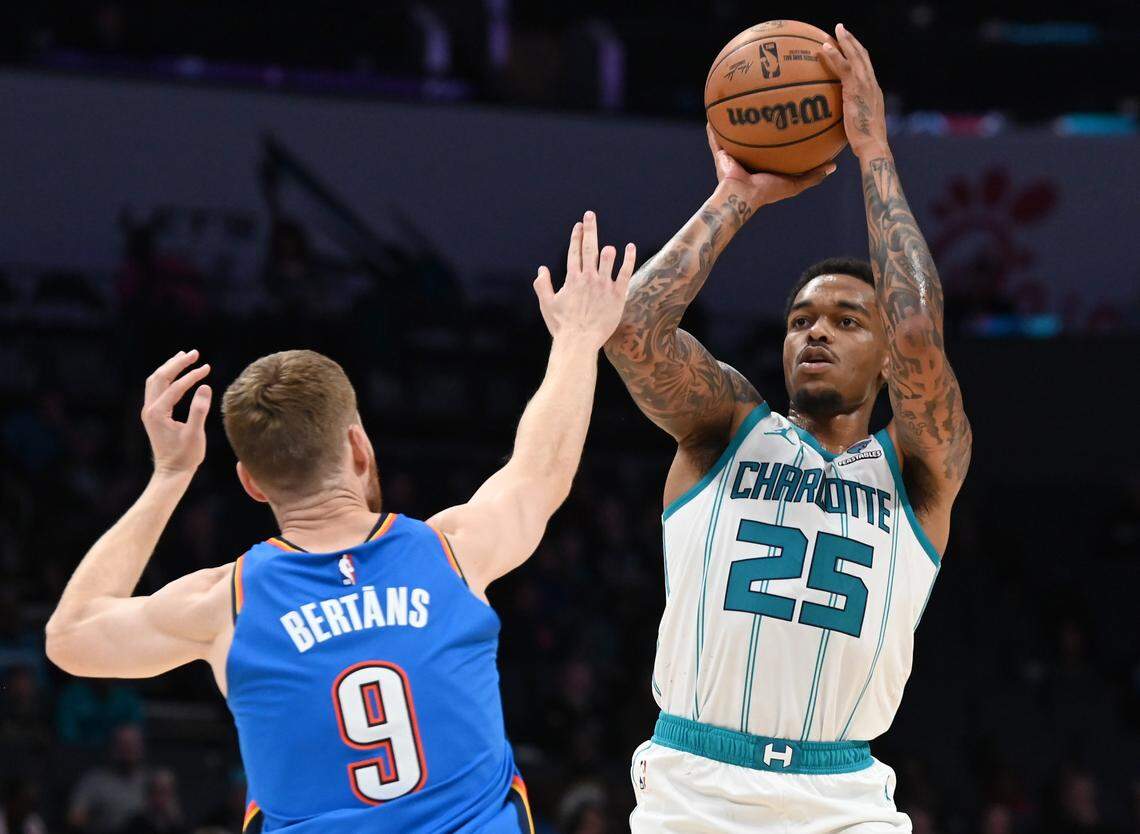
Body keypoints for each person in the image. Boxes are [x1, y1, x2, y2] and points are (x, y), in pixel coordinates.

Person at [45, 213, 637, 833]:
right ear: (359, 446)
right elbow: (541, 471)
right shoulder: (452, 552)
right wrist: (577, 338)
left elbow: (69, 637)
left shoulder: (226, 603)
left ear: (250, 483)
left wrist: (169, 476)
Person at [605, 25, 972, 833]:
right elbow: (629, 330)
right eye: (802, 319)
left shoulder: (918, 471)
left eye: (847, 320)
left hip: (843, 799)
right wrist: (735, 196)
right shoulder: (725, 428)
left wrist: (873, 150)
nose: (817, 332)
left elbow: (918, 330)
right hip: (694, 789)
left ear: (885, 358)